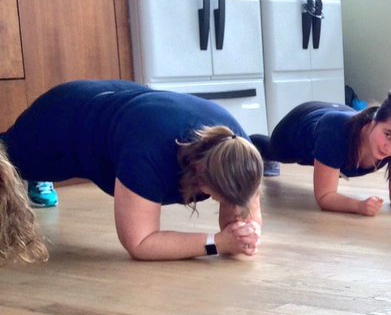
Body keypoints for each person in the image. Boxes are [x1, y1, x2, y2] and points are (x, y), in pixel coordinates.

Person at [0, 80, 262, 262]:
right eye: (218, 196)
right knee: (9, 160)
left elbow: (245, 217)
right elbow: (140, 242)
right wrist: (217, 242)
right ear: (200, 169)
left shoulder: (239, 150)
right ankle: (38, 174)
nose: (223, 204)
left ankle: (39, 175)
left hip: (125, 103)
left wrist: (245, 234)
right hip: (64, 117)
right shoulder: (148, 152)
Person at [252, 93, 391, 217]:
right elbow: (325, 197)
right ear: (375, 118)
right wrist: (359, 206)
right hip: (297, 127)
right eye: (388, 134)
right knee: (275, 152)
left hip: (334, 119)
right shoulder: (335, 131)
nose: (390, 148)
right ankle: (251, 143)